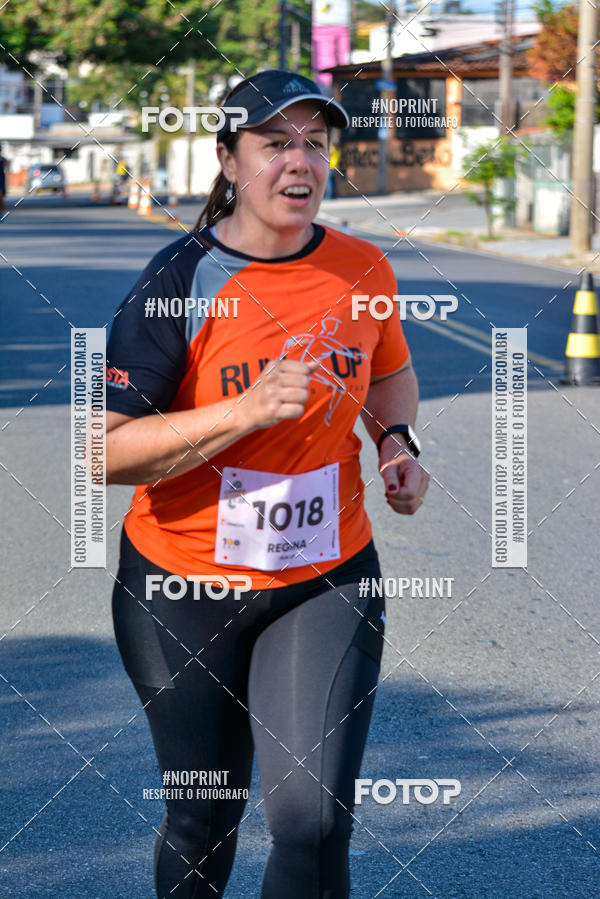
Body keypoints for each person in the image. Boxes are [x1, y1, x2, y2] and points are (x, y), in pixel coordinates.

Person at [105, 69, 429, 899]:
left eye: (315, 143)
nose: (301, 161)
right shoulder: (176, 284)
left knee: (313, 818)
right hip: (183, 581)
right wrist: (241, 411)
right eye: (275, 142)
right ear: (228, 159)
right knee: (203, 816)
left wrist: (395, 440)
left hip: (326, 576)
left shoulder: (364, 268)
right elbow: (105, 453)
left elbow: (389, 374)